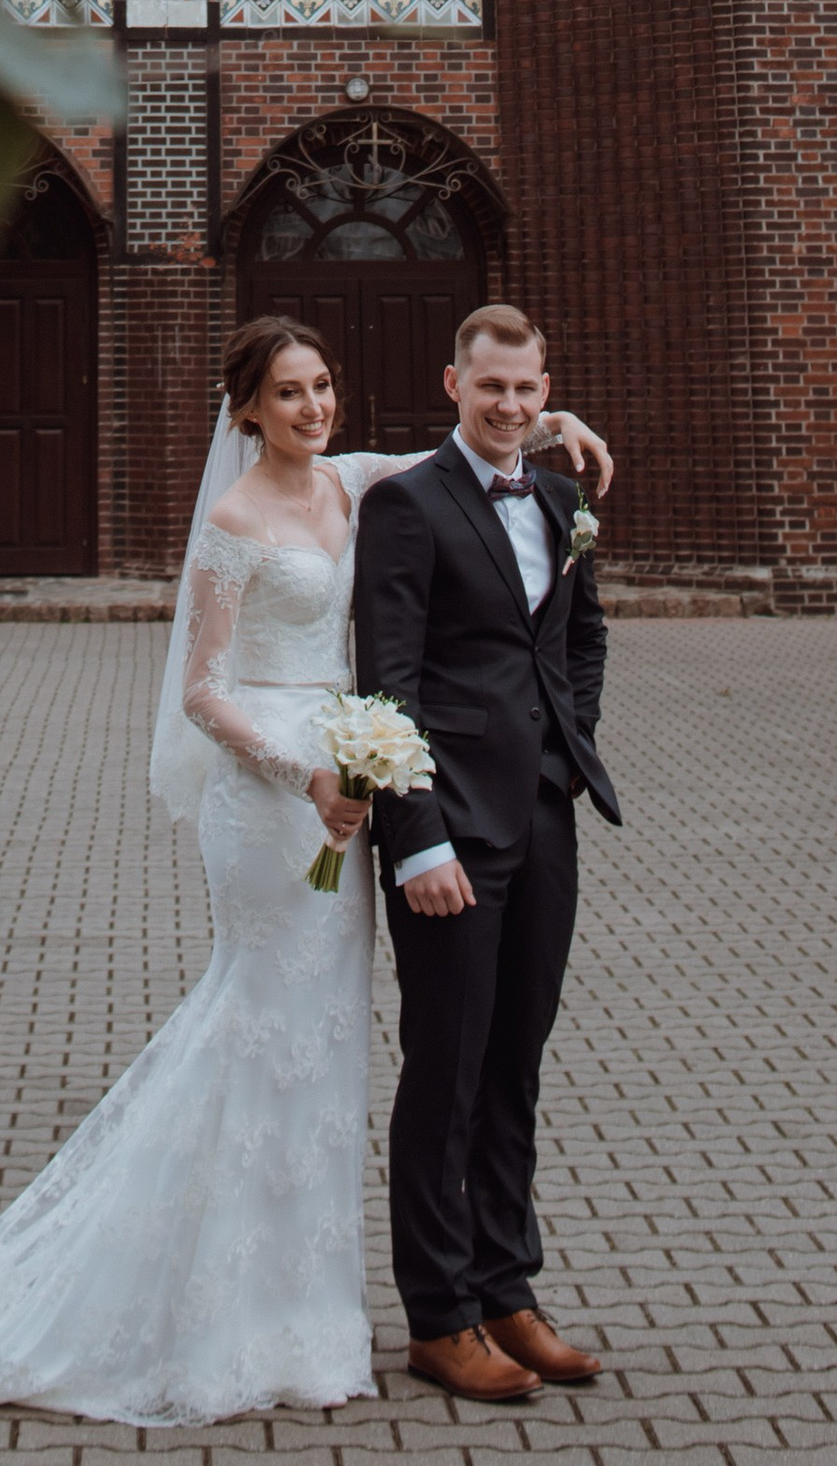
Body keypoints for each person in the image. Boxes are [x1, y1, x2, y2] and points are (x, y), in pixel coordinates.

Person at [0, 315, 612, 1425]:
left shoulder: (362, 481)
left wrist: (549, 422)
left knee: (338, 1056)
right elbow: (208, 687)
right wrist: (324, 784)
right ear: (246, 412)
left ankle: (353, 1302)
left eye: (321, 386)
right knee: (320, 1040)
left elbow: (488, 472)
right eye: (288, 392)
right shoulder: (250, 520)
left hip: (379, 790)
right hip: (292, 805)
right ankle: (394, 1310)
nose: (313, 407)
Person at [352, 301, 619, 1404]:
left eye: (525, 389)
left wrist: (568, 746)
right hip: (449, 835)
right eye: (489, 386)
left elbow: (582, 634)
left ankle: (510, 1287)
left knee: (516, 1060)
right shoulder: (406, 505)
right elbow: (388, 679)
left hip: (544, 822)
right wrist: (414, 838)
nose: (508, 405)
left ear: (542, 389)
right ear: (451, 383)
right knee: (447, 1072)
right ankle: (440, 1313)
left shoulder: (559, 497)